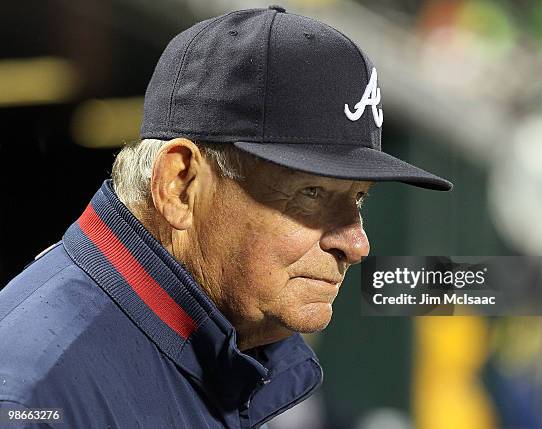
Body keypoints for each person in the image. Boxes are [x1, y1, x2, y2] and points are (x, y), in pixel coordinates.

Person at [0, 5, 452, 428]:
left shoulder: (228, 351)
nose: (356, 245)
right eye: (311, 193)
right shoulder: (32, 394)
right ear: (180, 185)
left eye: (358, 200)